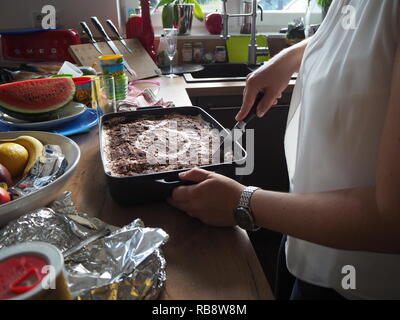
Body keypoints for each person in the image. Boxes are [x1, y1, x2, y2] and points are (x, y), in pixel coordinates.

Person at [167, 0, 400, 300]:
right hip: (306, 246)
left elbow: (392, 219)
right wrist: (292, 56)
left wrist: (244, 203)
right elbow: (357, 33)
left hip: (363, 284)